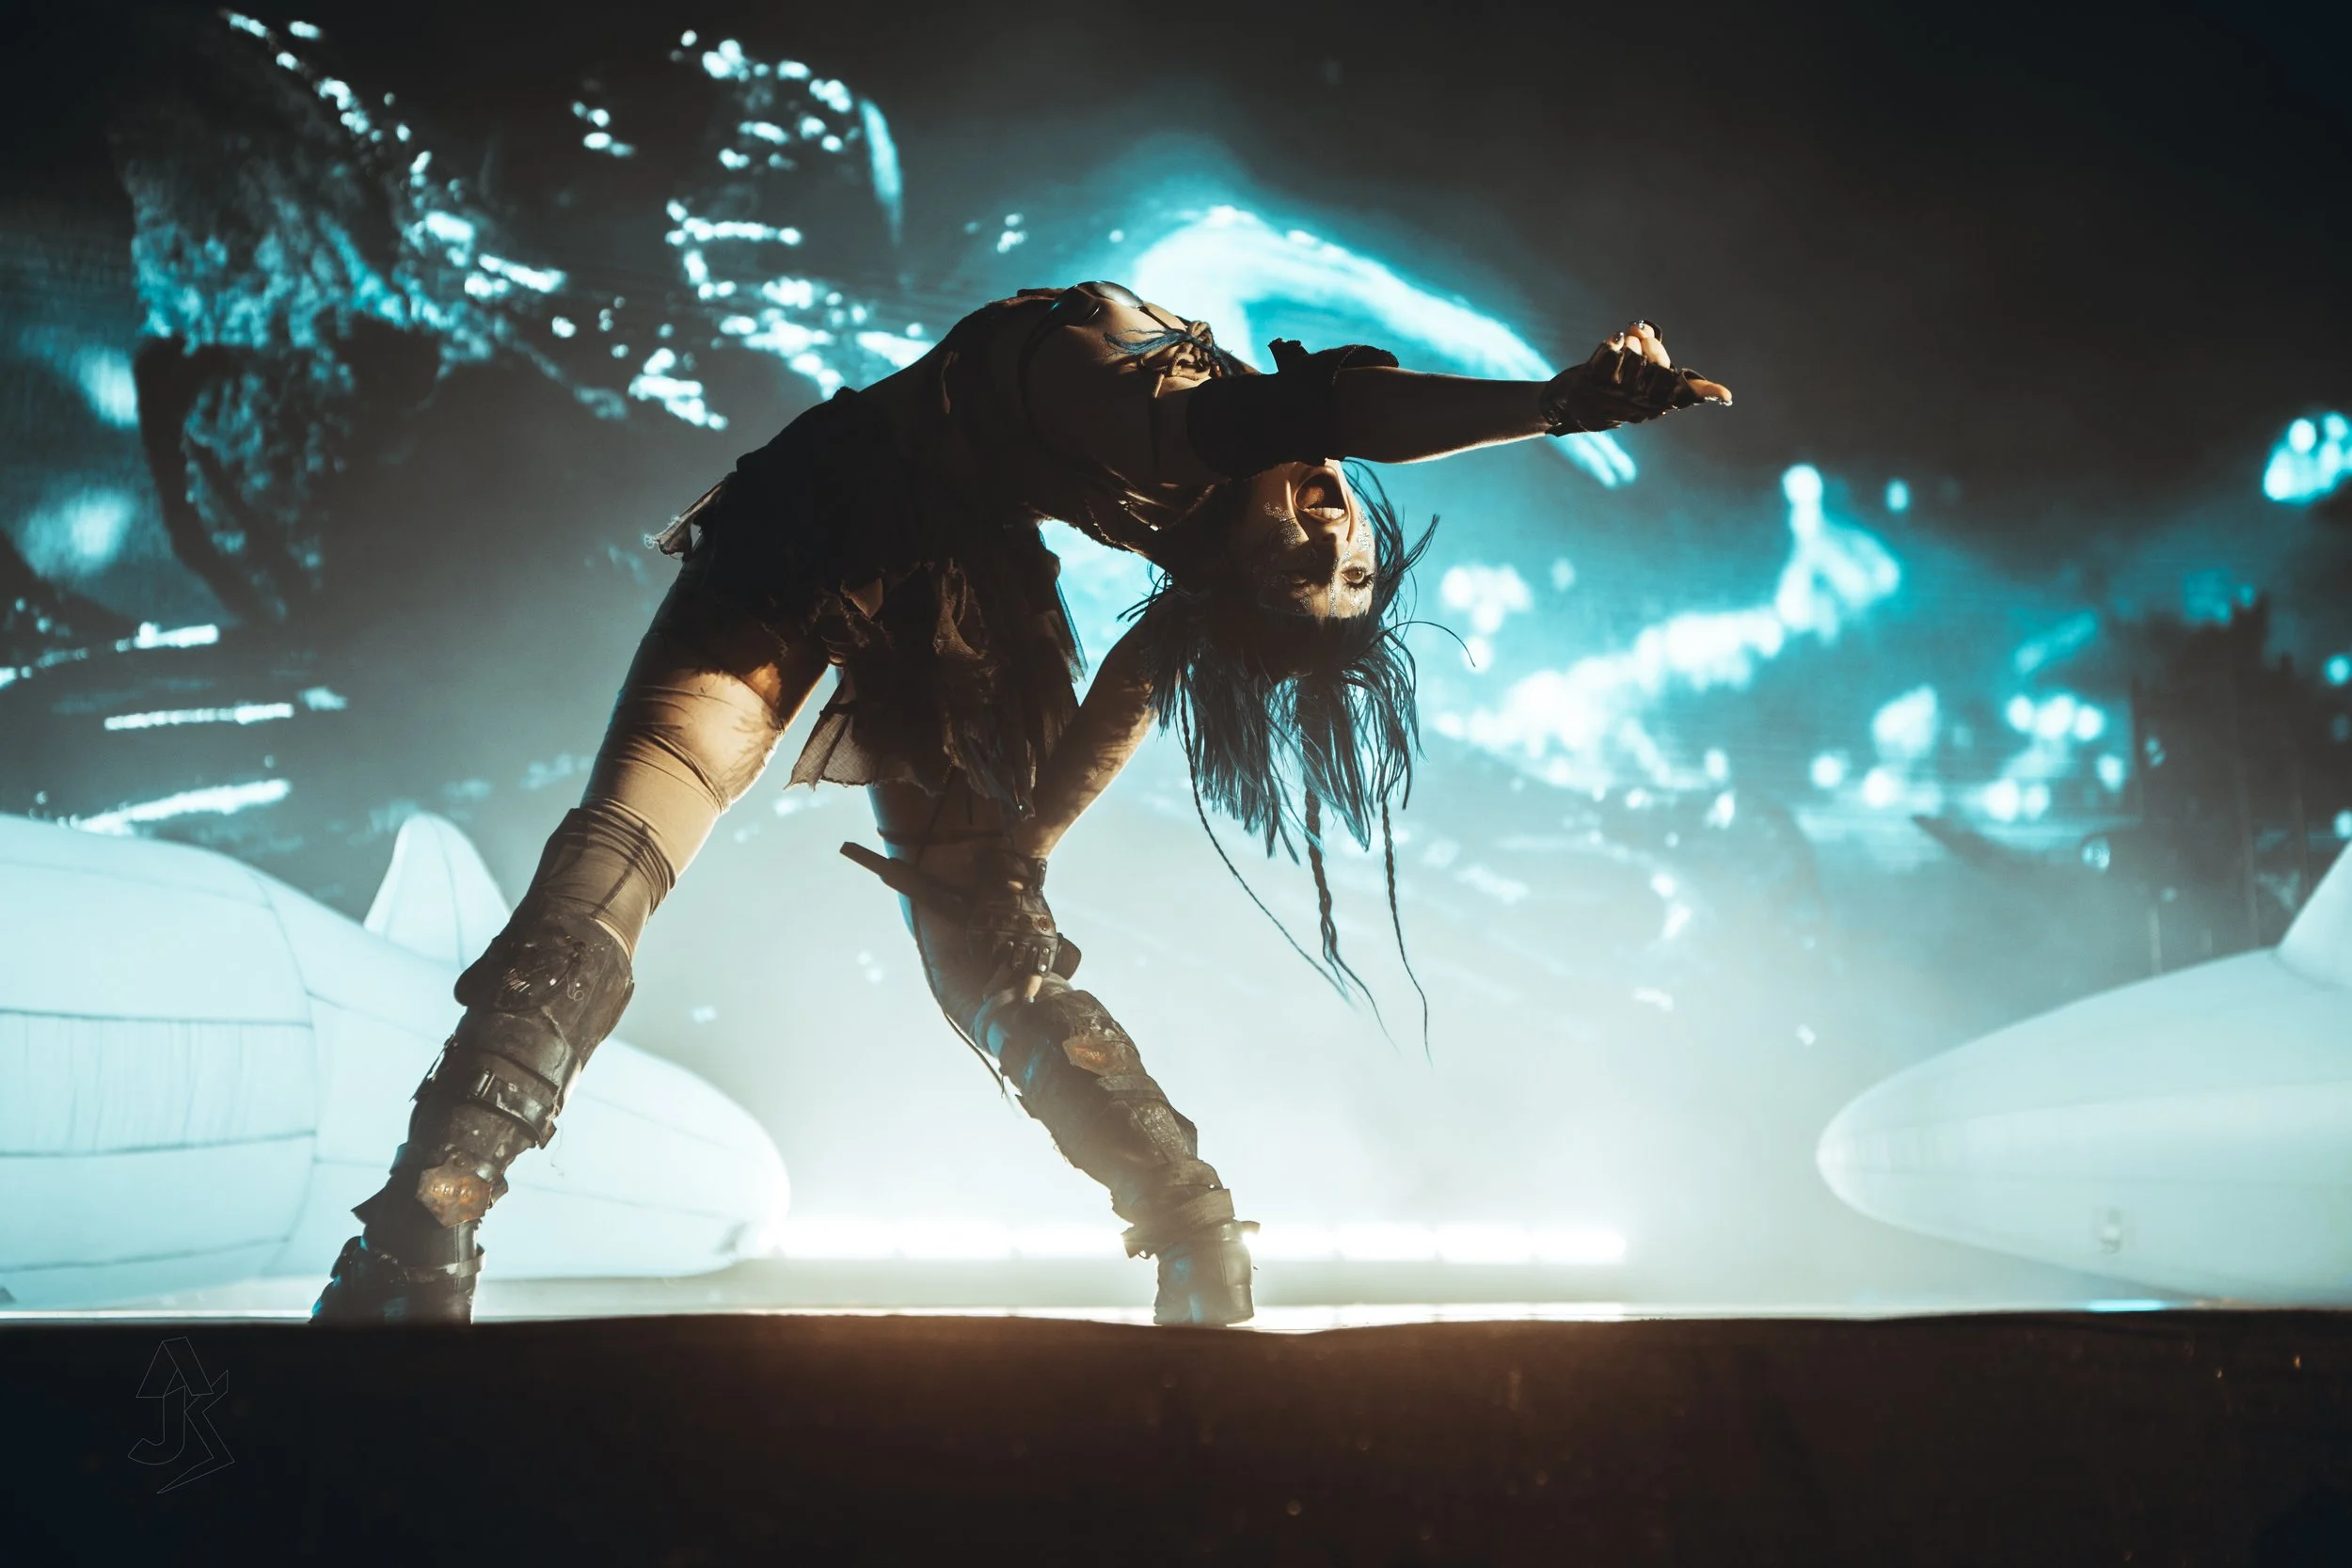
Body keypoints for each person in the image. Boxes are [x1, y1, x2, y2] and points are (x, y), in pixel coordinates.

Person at [312, 281, 1730, 1327]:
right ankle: (1197, 1240)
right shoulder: (1216, 480)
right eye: (1350, 546)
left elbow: (1321, 435)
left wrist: (1556, 405)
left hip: (859, 534)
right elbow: (1175, 625)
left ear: (1236, 580)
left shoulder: (1191, 445)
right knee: (705, 870)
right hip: (933, 563)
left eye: (1312, 566)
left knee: (667, 853)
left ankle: (431, 1217)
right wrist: (1018, 858)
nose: (1331, 522)